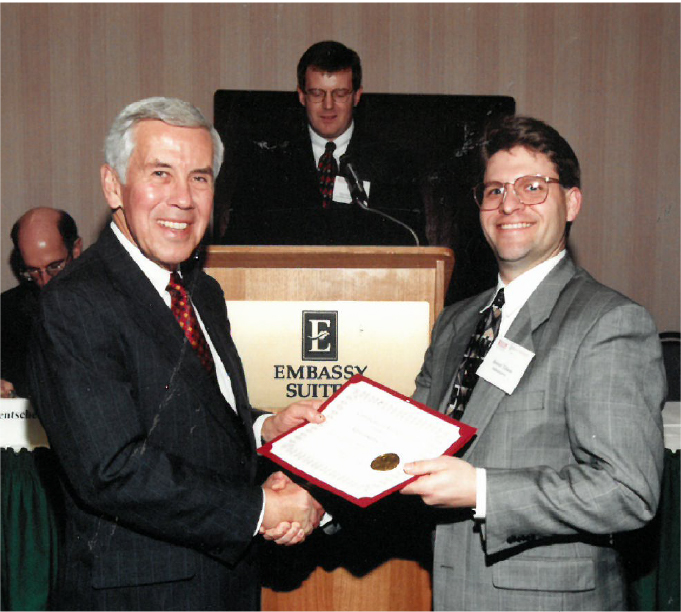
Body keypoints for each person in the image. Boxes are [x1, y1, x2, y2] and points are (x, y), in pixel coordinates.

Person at [27, 97, 326, 610]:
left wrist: (261, 429)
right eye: (161, 174)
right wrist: (259, 508)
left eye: (200, 178)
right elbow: (112, 467)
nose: (183, 199)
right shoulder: (75, 303)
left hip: (223, 585)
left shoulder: (201, 291)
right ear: (112, 185)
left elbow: (191, 413)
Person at [401, 115, 666, 610]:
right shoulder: (456, 322)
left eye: (532, 186)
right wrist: (319, 487)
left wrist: (482, 489)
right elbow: (411, 444)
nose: (510, 204)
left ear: (572, 202)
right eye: (495, 189)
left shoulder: (608, 322)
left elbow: (628, 490)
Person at [219, 40, 426, 246]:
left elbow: (414, 245)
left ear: (356, 96)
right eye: (317, 94)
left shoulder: (395, 165)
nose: (328, 105)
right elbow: (235, 247)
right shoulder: (263, 166)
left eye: (340, 94)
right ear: (302, 96)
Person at [1, 208, 82, 399]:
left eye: (54, 267)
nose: (45, 281)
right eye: (33, 271)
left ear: (76, 250)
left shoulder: (112, 302)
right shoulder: (6, 311)